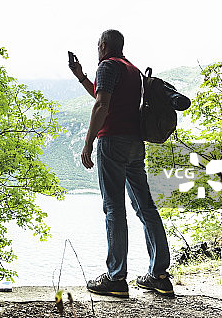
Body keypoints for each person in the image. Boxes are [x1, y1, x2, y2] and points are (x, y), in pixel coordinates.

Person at [69, 29, 174, 297]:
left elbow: (101, 105)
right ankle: (159, 275)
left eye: (97, 46)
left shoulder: (107, 66)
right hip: (134, 144)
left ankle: (116, 278)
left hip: (112, 142)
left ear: (103, 45)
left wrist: (88, 142)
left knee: (114, 209)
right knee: (145, 207)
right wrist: (81, 76)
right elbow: (103, 95)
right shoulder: (133, 70)